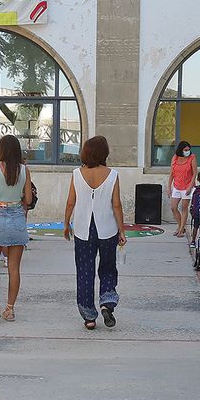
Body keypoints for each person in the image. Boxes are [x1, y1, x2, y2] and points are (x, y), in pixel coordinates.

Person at [64, 135, 126, 330]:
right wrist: (122, 230)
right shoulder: (113, 174)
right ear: (104, 153)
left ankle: (89, 316)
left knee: (85, 271)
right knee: (108, 267)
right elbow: (116, 204)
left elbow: (70, 202)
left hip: (83, 228)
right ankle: (107, 302)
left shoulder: (76, 174)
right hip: (107, 228)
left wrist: (66, 224)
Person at [0, 136, 34, 322]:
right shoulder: (24, 170)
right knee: (14, 268)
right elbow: (28, 200)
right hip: (17, 218)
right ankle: (10, 309)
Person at [169, 140, 196, 237]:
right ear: (181, 150)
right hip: (177, 185)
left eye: (189, 149)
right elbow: (172, 173)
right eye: (185, 150)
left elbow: (194, 173)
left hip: (187, 186)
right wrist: (169, 187)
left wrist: (190, 187)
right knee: (173, 207)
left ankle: (181, 230)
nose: (187, 151)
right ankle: (180, 225)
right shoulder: (175, 158)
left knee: (184, 208)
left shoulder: (192, 158)